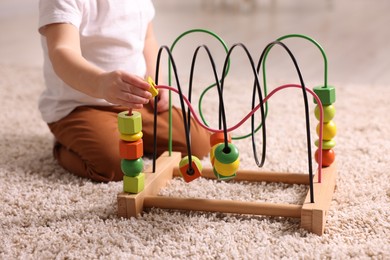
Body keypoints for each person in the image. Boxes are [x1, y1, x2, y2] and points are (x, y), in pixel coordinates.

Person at [38, 0, 211, 182]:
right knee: (118, 165)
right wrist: (100, 84)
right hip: (80, 108)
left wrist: (155, 80)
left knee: (198, 144)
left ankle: (131, 141)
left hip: (136, 101)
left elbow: (147, 39)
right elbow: (61, 52)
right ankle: (64, 147)